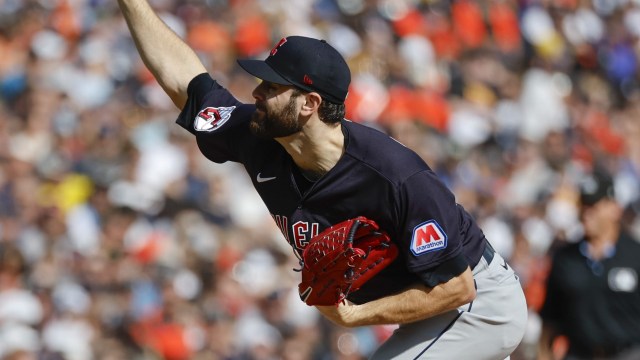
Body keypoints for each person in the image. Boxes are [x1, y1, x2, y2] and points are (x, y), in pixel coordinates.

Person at [116, 1, 528, 358]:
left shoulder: (394, 176)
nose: (257, 93)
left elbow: (457, 287)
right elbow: (186, 83)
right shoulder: (259, 136)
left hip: (478, 304)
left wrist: (354, 316)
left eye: (272, 86)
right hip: (427, 313)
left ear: (310, 103)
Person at [538, 169, 640, 360]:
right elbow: (550, 320)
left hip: (628, 353)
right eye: (584, 205)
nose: (587, 213)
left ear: (614, 208)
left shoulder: (635, 255)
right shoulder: (565, 258)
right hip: (579, 353)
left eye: (594, 206)